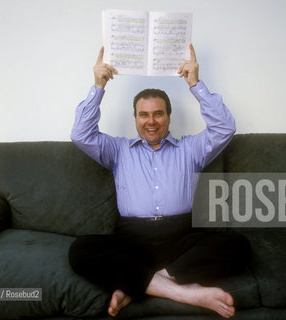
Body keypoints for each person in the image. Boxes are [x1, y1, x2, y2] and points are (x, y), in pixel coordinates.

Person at [68, 44, 251, 318]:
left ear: (168, 117)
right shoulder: (117, 150)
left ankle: (139, 284)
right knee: (80, 250)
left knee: (238, 245)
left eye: (158, 113)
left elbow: (225, 127)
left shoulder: (191, 149)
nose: (151, 121)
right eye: (144, 114)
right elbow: (81, 135)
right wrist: (98, 87)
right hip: (132, 240)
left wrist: (195, 83)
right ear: (135, 118)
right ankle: (183, 292)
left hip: (182, 238)